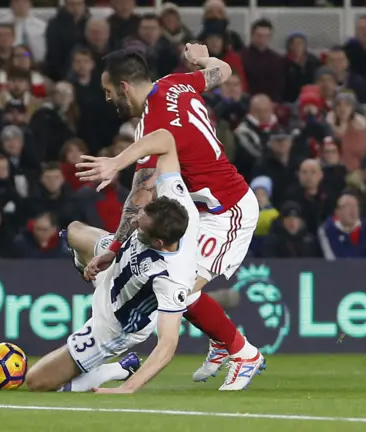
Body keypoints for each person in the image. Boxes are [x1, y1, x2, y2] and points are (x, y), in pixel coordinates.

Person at [76, 45, 264, 391]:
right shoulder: (174, 83)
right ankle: (224, 341)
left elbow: (140, 198)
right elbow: (222, 72)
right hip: (200, 211)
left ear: (124, 87)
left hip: (227, 212)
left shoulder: (153, 125)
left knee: (180, 288)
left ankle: (244, 354)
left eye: (107, 92)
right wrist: (203, 58)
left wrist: (114, 247)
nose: (107, 100)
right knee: (176, 284)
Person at [25, 145, 200, 394]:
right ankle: (89, 266)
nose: (135, 225)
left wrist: (128, 388)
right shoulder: (177, 207)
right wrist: (119, 161)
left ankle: (117, 369)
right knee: (74, 230)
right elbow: (167, 141)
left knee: (36, 382)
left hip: (114, 322)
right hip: (118, 263)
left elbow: (168, 345)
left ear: (158, 243)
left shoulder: (171, 278)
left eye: (141, 228)